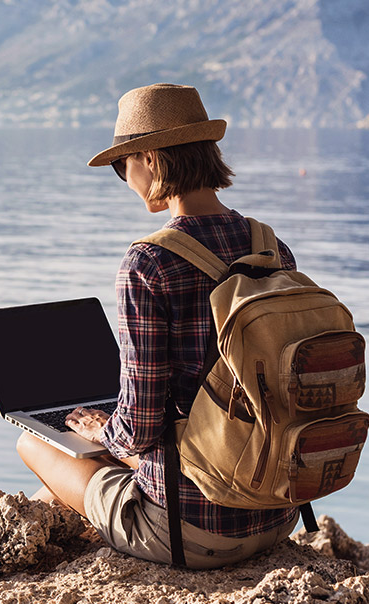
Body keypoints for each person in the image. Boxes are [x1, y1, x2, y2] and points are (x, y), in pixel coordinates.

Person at [15, 84, 299, 569]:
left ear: (148, 158)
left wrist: (104, 431)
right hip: (276, 511)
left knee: (36, 444)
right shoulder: (269, 246)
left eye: (120, 165)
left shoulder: (149, 261)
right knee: (106, 450)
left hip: (192, 535)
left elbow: (141, 426)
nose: (124, 178)